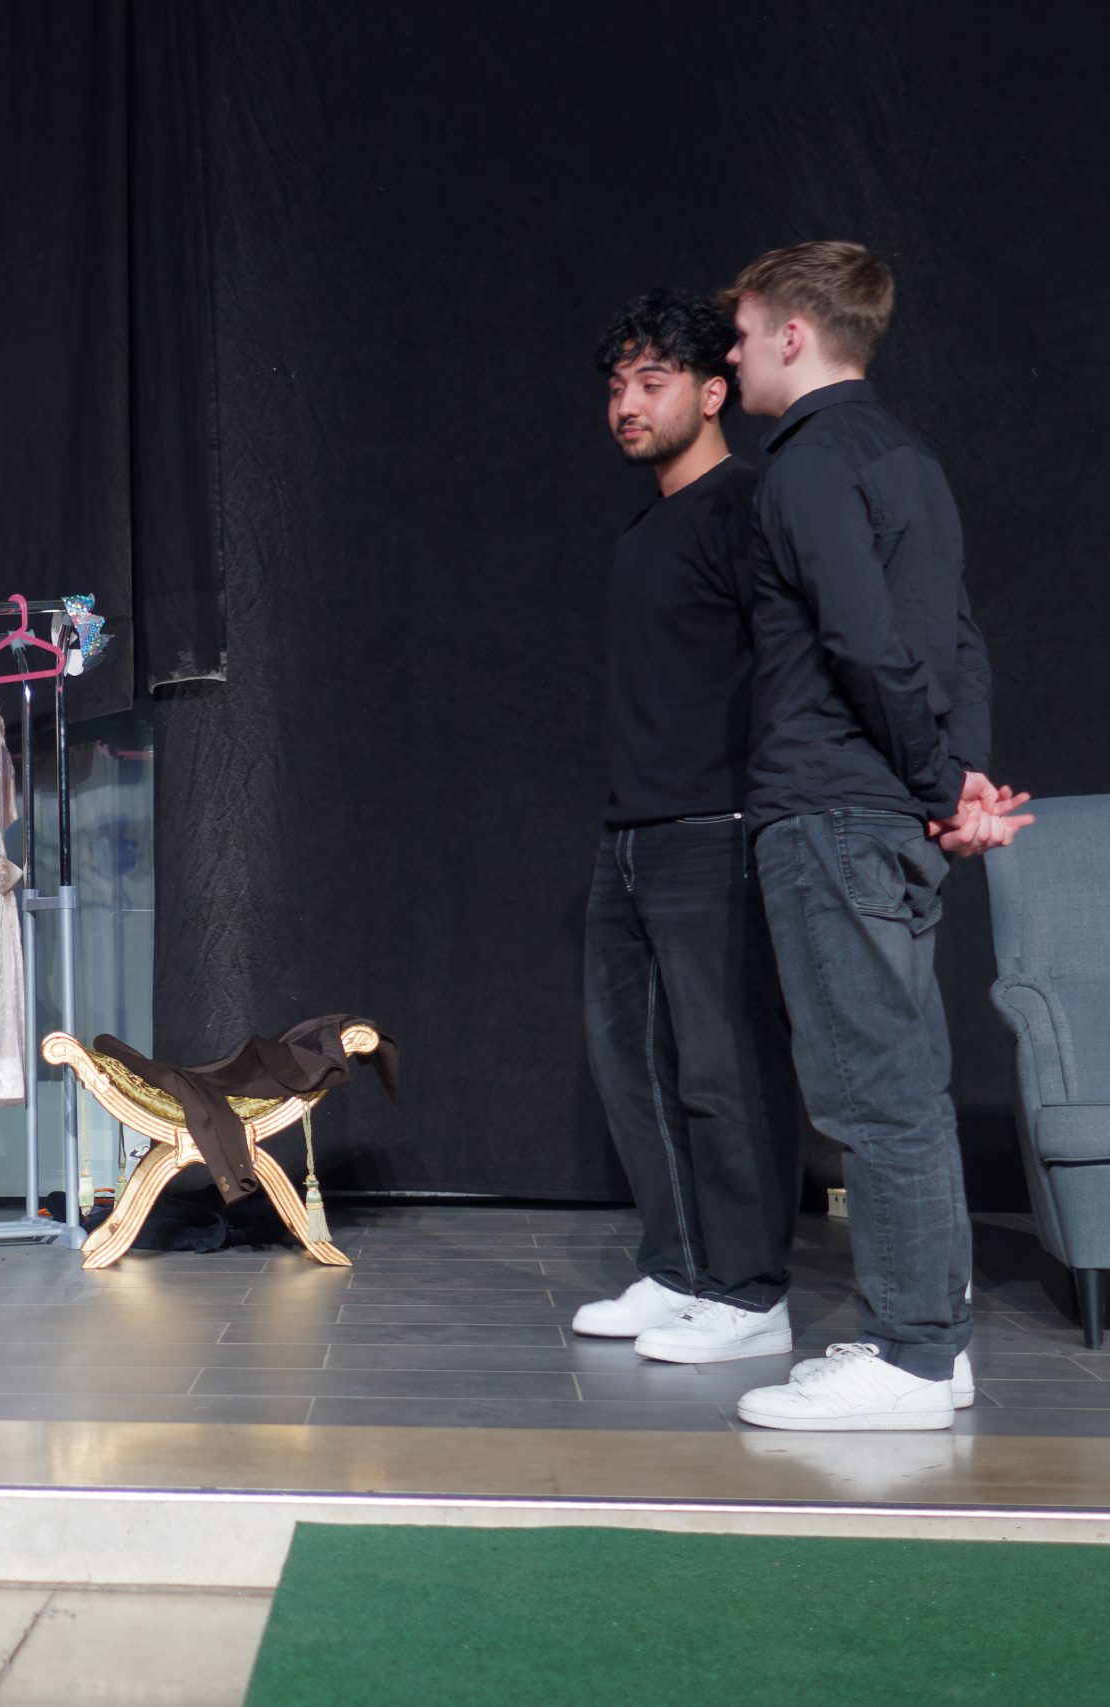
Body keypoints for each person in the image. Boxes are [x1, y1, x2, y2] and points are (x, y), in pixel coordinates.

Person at [720, 241, 1032, 1431]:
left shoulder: (804, 464)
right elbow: (960, 644)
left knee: (873, 1093)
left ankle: (912, 1356)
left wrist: (940, 782)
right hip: (885, 814)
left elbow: (863, 642)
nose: (732, 357)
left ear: (793, 334)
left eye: (743, 335)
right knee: (902, 1082)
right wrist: (958, 783)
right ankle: (927, 1345)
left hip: (832, 814)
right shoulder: (906, 456)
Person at [568, 292, 806, 1364]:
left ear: (713, 393)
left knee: (723, 1069)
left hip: (718, 829)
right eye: (619, 384)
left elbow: (790, 666)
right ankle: (677, 1270)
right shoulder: (645, 528)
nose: (627, 402)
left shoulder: (742, 506)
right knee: (632, 1066)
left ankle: (751, 1293)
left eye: (652, 382)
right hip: (631, 833)